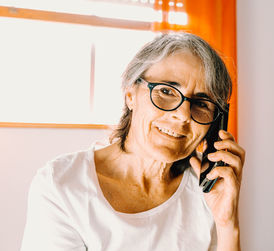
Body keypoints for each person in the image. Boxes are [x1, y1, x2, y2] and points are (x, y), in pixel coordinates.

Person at [21, 32, 245, 251]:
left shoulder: (207, 190)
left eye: (202, 103)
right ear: (130, 95)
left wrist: (227, 225)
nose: (184, 115)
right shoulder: (62, 185)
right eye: (166, 91)